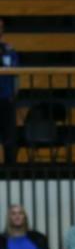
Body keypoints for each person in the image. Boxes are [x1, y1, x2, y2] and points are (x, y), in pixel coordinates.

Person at [0, 18, 18, 166]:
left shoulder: (9, 50)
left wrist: (14, 94)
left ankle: (10, 169)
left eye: (1, 27)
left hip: (6, 97)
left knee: (9, 135)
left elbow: (15, 72)